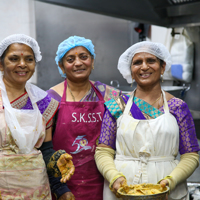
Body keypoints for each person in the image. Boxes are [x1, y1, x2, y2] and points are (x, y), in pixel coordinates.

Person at [94, 41, 200, 200]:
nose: (144, 67)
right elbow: (103, 151)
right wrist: (114, 177)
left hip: (167, 190)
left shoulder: (177, 107)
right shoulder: (117, 106)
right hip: (123, 189)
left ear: (163, 67)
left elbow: (191, 155)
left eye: (151, 61)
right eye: (137, 62)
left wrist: (171, 181)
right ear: (130, 69)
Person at [47, 35, 121, 200]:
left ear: (92, 61)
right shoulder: (52, 98)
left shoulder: (108, 95)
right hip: (63, 185)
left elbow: (137, 116)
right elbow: (44, 148)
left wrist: (171, 102)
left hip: (106, 182)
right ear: (61, 66)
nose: (78, 63)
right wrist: (59, 188)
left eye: (84, 57)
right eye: (70, 59)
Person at [0, 34, 72, 199]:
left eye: (29, 59)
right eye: (14, 59)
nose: (23, 64)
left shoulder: (44, 102)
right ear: (1, 65)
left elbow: (45, 150)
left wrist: (56, 163)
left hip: (36, 189)